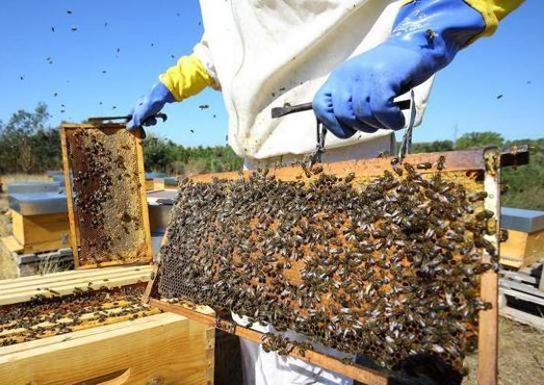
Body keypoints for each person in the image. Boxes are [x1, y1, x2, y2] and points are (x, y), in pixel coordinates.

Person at [128, 1, 523, 384]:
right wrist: (172, 82)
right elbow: (226, 41)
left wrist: (431, 24)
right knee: (253, 324)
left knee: (314, 347)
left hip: (342, 153)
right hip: (256, 172)